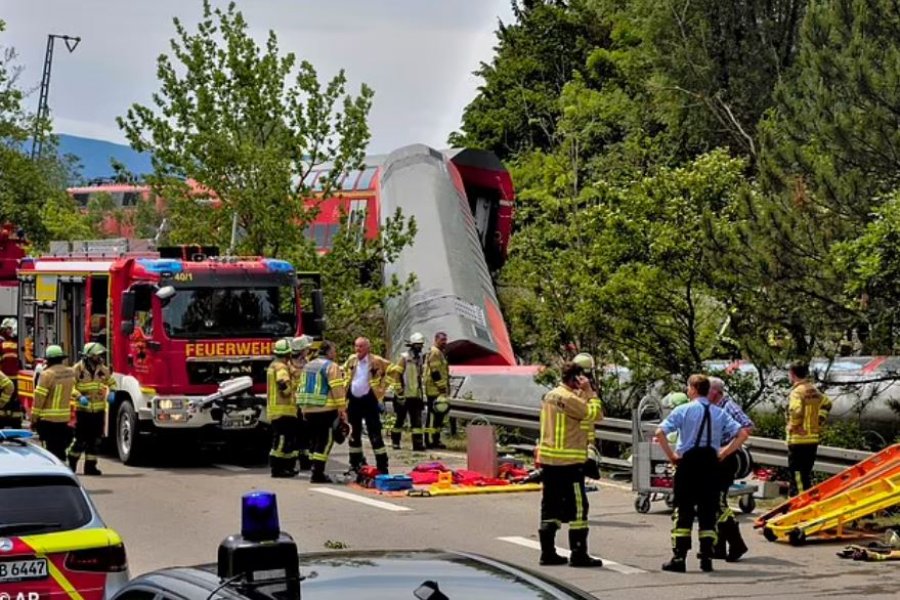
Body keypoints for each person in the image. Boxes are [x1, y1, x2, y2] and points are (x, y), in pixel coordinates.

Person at [654, 374, 749, 573]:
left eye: (689, 388)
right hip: (710, 465)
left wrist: (671, 456)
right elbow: (742, 434)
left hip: (688, 464)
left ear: (693, 389)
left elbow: (659, 432)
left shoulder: (683, 410)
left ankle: (679, 558)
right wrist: (724, 452)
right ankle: (706, 558)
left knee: (683, 512)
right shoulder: (719, 413)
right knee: (708, 513)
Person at [536, 361, 604, 568]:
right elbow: (595, 415)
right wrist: (590, 393)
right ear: (574, 379)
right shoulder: (568, 398)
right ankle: (579, 554)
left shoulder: (551, 395)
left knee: (550, 507)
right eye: (580, 378)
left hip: (549, 462)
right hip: (569, 463)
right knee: (579, 509)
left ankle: (547, 553)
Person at [708, 377, 753, 561]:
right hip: (714, 459)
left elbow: (747, 426)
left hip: (725, 460)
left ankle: (737, 544)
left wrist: (727, 449)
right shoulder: (710, 407)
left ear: (716, 392)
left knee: (718, 503)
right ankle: (718, 547)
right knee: (713, 504)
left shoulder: (728, 406)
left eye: (708, 389)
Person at [297, 340, 347, 483]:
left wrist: (302, 408)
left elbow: (302, 387)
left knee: (315, 441)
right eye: (334, 350)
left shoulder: (308, 365)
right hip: (326, 409)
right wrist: (342, 409)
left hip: (308, 409)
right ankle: (318, 473)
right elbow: (337, 389)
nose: (335, 353)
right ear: (329, 352)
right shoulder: (331, 366)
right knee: (325, 441)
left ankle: (315, 469)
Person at [343, 337, 392, 473]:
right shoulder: (352, 360)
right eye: (356, 346)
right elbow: (344, 373)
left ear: (368, 348)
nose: (357, 349)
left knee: (374, 434)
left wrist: (382, 387)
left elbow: (394, 370)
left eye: (361, 347)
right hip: (353, 401)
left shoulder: (376, 360)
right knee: (354, 433)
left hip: (369, 400)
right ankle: (355, 464)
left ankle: (382, 466)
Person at [68, 343, 117, 476]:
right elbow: (71, 387)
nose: (100, 357)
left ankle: (90, 467)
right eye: (97, 354)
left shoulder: (103, 369)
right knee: (80, 440)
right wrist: (79, 397)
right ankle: (71, 463)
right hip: (83, 411)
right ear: (89, 355)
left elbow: (111, 382)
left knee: (94, 440)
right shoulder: (77, 369)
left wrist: (112, 392)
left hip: (98, 411)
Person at [785, 361, 832, 497]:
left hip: (799, 440)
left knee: (797, 475)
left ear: (792, 374)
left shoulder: (797, 391)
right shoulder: (814, 390)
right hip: (813, 440)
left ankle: (798, 503)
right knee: (805, 475)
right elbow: (827, 404)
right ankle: (805, 502)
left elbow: (796, 410)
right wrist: (820, 420)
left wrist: (794, 426)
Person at [31, 345, 79, 462]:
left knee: (51, 450)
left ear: (48, 359)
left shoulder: (46, 374)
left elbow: (39, 398)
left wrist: (34, 418)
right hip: (64, 418)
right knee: (60, 448)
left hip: (48, 419)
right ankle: (62, 468)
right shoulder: (70, 372)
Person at [386, 332, 427, 451]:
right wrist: (399, 391)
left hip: (415, 395)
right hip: (403, 395)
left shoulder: (419, 359)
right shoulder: (404, 357)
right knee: (400, 420)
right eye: (418, 345)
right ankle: (395, 442)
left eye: (421, 345)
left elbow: (419, 377)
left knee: (417, 422)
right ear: (412, 345)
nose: (420, 347)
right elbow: (397, 374)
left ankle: (418, 444)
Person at [267, 339, 299, 478]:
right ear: (288, 354)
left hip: (276, 410)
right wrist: (291, 388)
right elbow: (283, 385)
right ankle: (279, 468)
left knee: (285, 439)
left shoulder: (273, 365)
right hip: (283, 410)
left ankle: (286, 468)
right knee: (282, 440)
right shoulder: (281, 367)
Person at [572, 352, 603, 479]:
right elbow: (597, 415)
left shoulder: (574, 388)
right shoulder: (582, 390)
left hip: (582, 441)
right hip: (578, 442)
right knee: (576, 481)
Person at [290, 336, 313, 471]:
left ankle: (305, 461)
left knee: (306, 434)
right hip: (293, 404)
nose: (308, 350)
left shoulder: (307, 362)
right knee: (295, 434)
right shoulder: (289, 364)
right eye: (306, 348)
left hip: (305, 403)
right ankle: (292, 462)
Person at [424, 332, 450, 449]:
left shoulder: (439, 353)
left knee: (438, 418)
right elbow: (435, 372)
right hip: (435, 391)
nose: (444, 342)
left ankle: (434, 439)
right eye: (442, 340)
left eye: (445, 340)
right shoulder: (435, 352)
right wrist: (442, 388)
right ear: (436, 340)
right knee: (435, 418)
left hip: (437, 391)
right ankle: (432, 440)